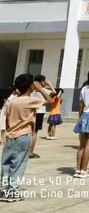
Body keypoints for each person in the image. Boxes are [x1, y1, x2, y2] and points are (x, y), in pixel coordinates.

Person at [1, 74, 52, 202]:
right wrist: (40, 89)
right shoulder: (30, 100)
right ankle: (13, 192)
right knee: (18, 164)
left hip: (10, 135)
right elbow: (50, 101)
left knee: (6, 163)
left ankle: (3, 189)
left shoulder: (11, 101)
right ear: (31, 86)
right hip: (23, 135)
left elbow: (5, 118)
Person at [29, 74, 54, 158]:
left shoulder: (31, 90)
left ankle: (26, 151)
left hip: (30, 111)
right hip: (39, 112)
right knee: (34, 132)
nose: (45, 83)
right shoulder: (43, 90)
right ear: (41, 82)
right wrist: (50, 85)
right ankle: (30, 152)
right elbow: (54, 94)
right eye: (44, 81)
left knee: (29, 131)